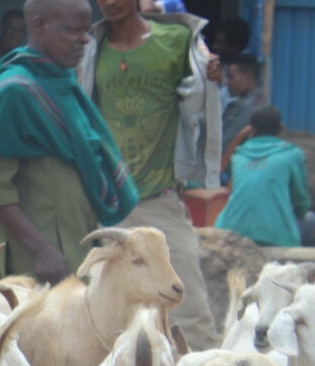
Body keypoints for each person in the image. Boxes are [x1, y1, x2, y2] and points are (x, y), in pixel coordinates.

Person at [80, 0, 224, 348]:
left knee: (188, 310)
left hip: (160, 200)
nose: (110, 2)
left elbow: (201, 90)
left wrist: (213, 77)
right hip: (107, 203)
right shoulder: (89, 48)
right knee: (104, 314)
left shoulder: (176, 40)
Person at [0, 0, 139, 281]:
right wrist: (42, 250)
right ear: (39, 25)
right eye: (73, 30)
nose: (84, 40)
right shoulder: (14, 92)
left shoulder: (64, 84)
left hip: (79, 241)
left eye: (86, 31)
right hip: (39, 258)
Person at [216, 106, 315, 248]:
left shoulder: (239, 155)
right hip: (274, 235)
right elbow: (300, 201)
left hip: (229, 230)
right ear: (281, 128)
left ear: (252, 130)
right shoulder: (292, 154)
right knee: (312, 220)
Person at [221, 53, 266, 149]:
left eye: (230, 77)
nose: (227, 83)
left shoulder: (247, 107)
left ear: (248, 77)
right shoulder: (258, 100)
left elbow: (226, 144)